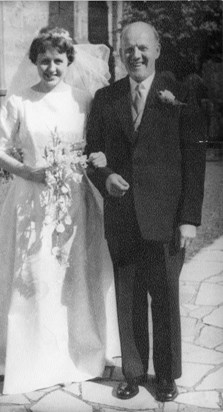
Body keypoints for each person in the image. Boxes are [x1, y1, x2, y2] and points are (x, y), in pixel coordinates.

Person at [0, 27, 120, 394]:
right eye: (44, 60)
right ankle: (33, 358)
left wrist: (97, 159)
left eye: (58, 61)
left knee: (74, 275)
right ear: (35, 61)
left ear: (68, 62)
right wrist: (28, 171)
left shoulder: (83, 99)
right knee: (34, 277)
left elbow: (98, 144)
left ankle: (80, 354)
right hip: (31, 202)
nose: (51, 67)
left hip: (75, 202)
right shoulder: (18, 102)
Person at [86, 21, 206, 402]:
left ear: (157, 50)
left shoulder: (180, 94)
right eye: (127, 49)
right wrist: (105, 178)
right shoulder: (106, 98)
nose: (134, 55)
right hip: (122, 218)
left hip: (167, 219)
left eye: (142, 48)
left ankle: (167, 375)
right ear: (119, 53)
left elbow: (195, 158)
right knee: (128, 297)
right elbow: (92, 156)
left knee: (165, 298)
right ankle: (134, 373)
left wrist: (188, 218)